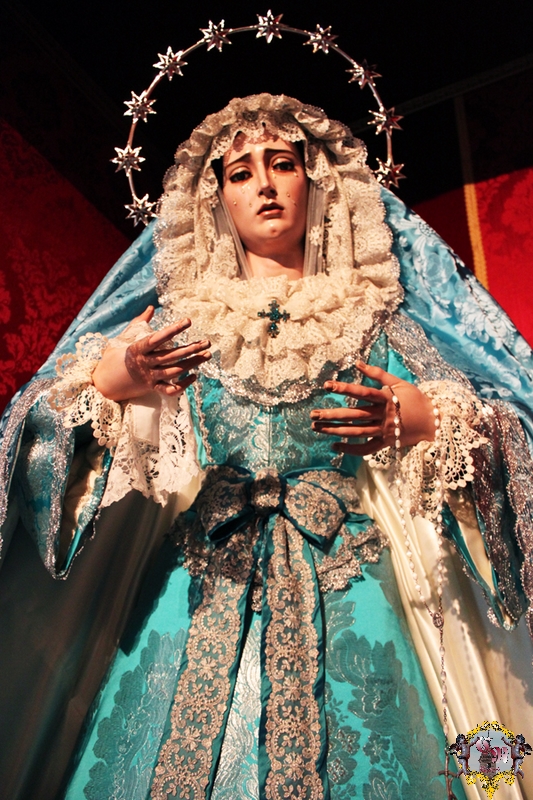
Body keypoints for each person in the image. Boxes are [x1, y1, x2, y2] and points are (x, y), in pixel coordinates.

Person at [1, 93, 533, 800]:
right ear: (215, 198)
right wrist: (114, 379)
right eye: (241, 171)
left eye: (282, 164)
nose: (265, 185)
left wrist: (426, 419)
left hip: (346, 565)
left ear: (318, 182)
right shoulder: (181, 318)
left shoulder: (372, 314)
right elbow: (39, 428)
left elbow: (509, 420)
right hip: (204, 568)